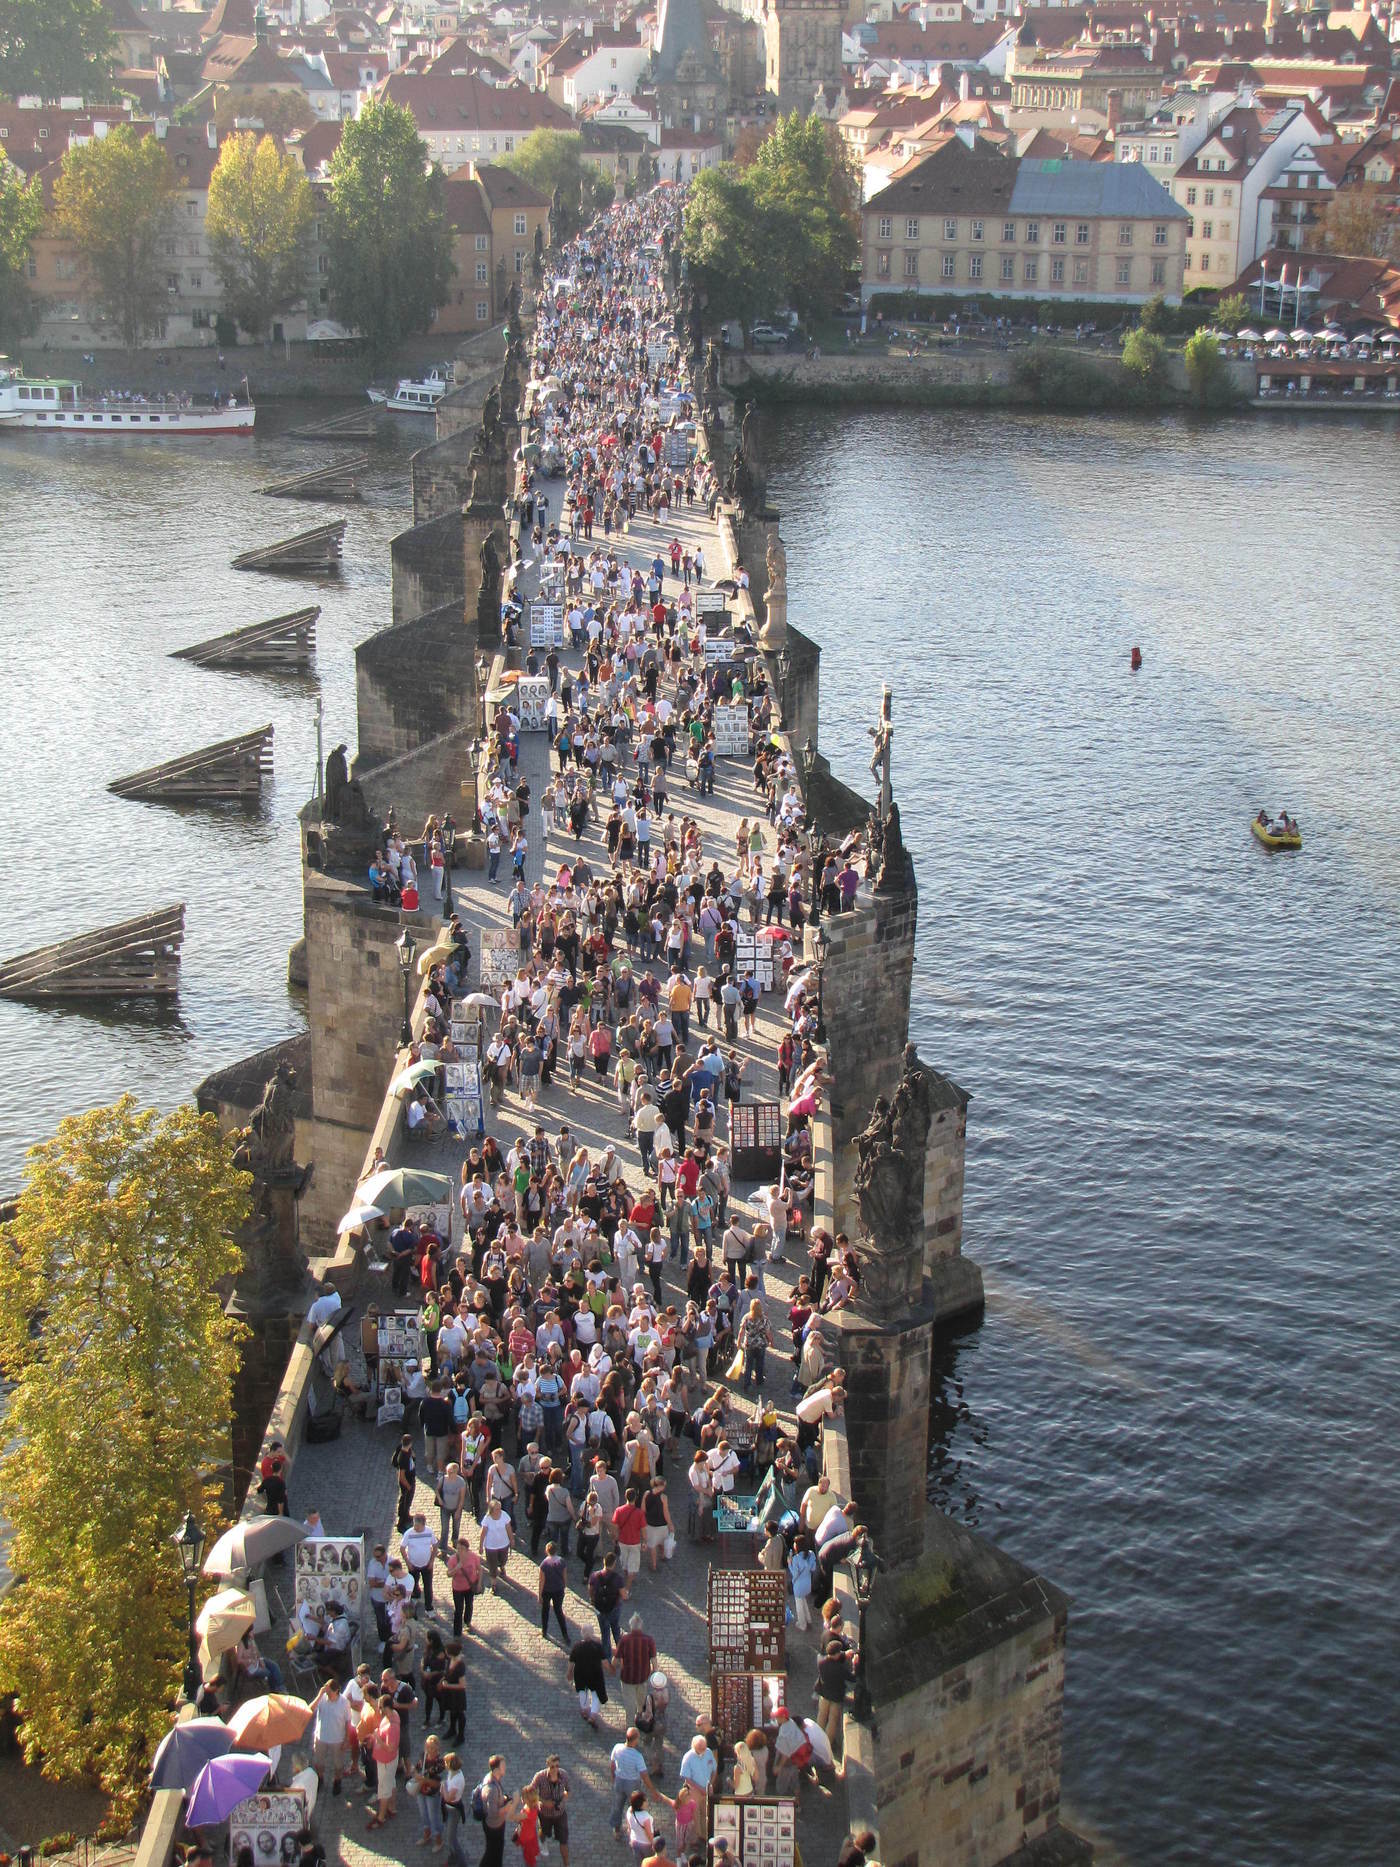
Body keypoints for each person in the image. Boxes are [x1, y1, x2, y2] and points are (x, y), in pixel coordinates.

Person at [309, 1677, 352, 1797]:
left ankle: (337, 1781)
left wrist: (346, 1739)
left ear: (336, 1690)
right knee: (318, 1762)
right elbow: (310, 1709)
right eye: (326, 1692)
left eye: (329, 1692)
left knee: (338, 1764)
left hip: (337, 1739)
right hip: (321, 1737)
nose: (327, 1695)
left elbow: (348, 1722)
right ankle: (320, 1779)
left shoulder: (344, 1703)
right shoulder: (322, 1698)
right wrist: (320, 1695)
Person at [528, 1756, 572, 1867]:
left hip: (560, 1813)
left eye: (557, 1766)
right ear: (547, 1765)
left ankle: (567, 1864)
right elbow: (530, 1792)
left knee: (563, 1840)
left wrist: (563, 1800)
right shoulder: (540, 1777)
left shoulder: (564, 1775)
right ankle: (542, 1842)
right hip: (544, 1813)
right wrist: (543, 1801)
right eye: (552, 1766)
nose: (555, 1769)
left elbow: (569, 1791)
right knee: (544, 1832)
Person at [609, 1728, 655, 1835]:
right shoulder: (637, 1756)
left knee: (617, 1806)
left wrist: (613, 1778)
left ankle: (616, 1829)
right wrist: (652, 1790)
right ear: (635, 1740)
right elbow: (644, 1775)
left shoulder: (617, 1747)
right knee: (636, 1807)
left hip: (619, 1781)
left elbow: (612, 1765)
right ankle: (636, 1828)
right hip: (633, 1784)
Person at [476, 1754, 517, 1867]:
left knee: (497, 1851)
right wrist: (507, 1807)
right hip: (494, 1826)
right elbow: (493, 1813)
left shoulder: (493, 1778)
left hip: (497, 1824)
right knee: (492, 1852)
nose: (506, 1768)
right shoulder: (491, 1789)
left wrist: (503, 1798)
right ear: (497, 1769)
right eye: (503, 1766)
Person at [615, 1613, 657, 1720]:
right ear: (641, 1626)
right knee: (641, 1700)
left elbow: (616, 1659)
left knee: (629, 1705)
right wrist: (654, 1671)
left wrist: (612, 1666)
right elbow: (653, 1659)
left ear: (630, 1626)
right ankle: (639, 1715)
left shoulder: (624, 1640)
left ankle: (630, 1727)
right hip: (642, 1677)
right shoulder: (649, 1640)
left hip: (627, 1678)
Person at [566, 1631, 610, 1728]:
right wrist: (610, 1669)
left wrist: (569, 1672)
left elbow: (571, 1661)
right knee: (596, 1695)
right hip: (595, 1675)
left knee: (583, 1692)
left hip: (580, 1674)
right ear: (592, 1634)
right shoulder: (597, 1646)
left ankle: (585, 1710)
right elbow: (604, 1661)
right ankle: (593, 1714)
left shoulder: (577, 1646)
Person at [477, 1494, 514, 1591]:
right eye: (497, 1509)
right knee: (492, 1565)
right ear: (492, 1510)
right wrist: (481, 1545)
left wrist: (512, 1540)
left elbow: (509, 1529)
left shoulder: (504, 1515)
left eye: (499, 1508)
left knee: (503, 1559)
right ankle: (493, 1584)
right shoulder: (487, 1518)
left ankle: (502, 1566)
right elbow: (483, 1533)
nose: (499, 1511)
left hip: (503, 1544)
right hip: (491, 1546)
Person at [538, 1540, 571, 1645]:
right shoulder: (561, 1561)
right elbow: (565, 1576)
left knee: (545, 1611)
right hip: (558, 1590)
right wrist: (564, 1586)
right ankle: (565, 1635)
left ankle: (544, 1630)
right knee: (559, 1612)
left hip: (547, 1590)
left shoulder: (544, 1564)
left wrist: (539, 1594)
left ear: (547, 1551)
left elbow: (541, 1581)